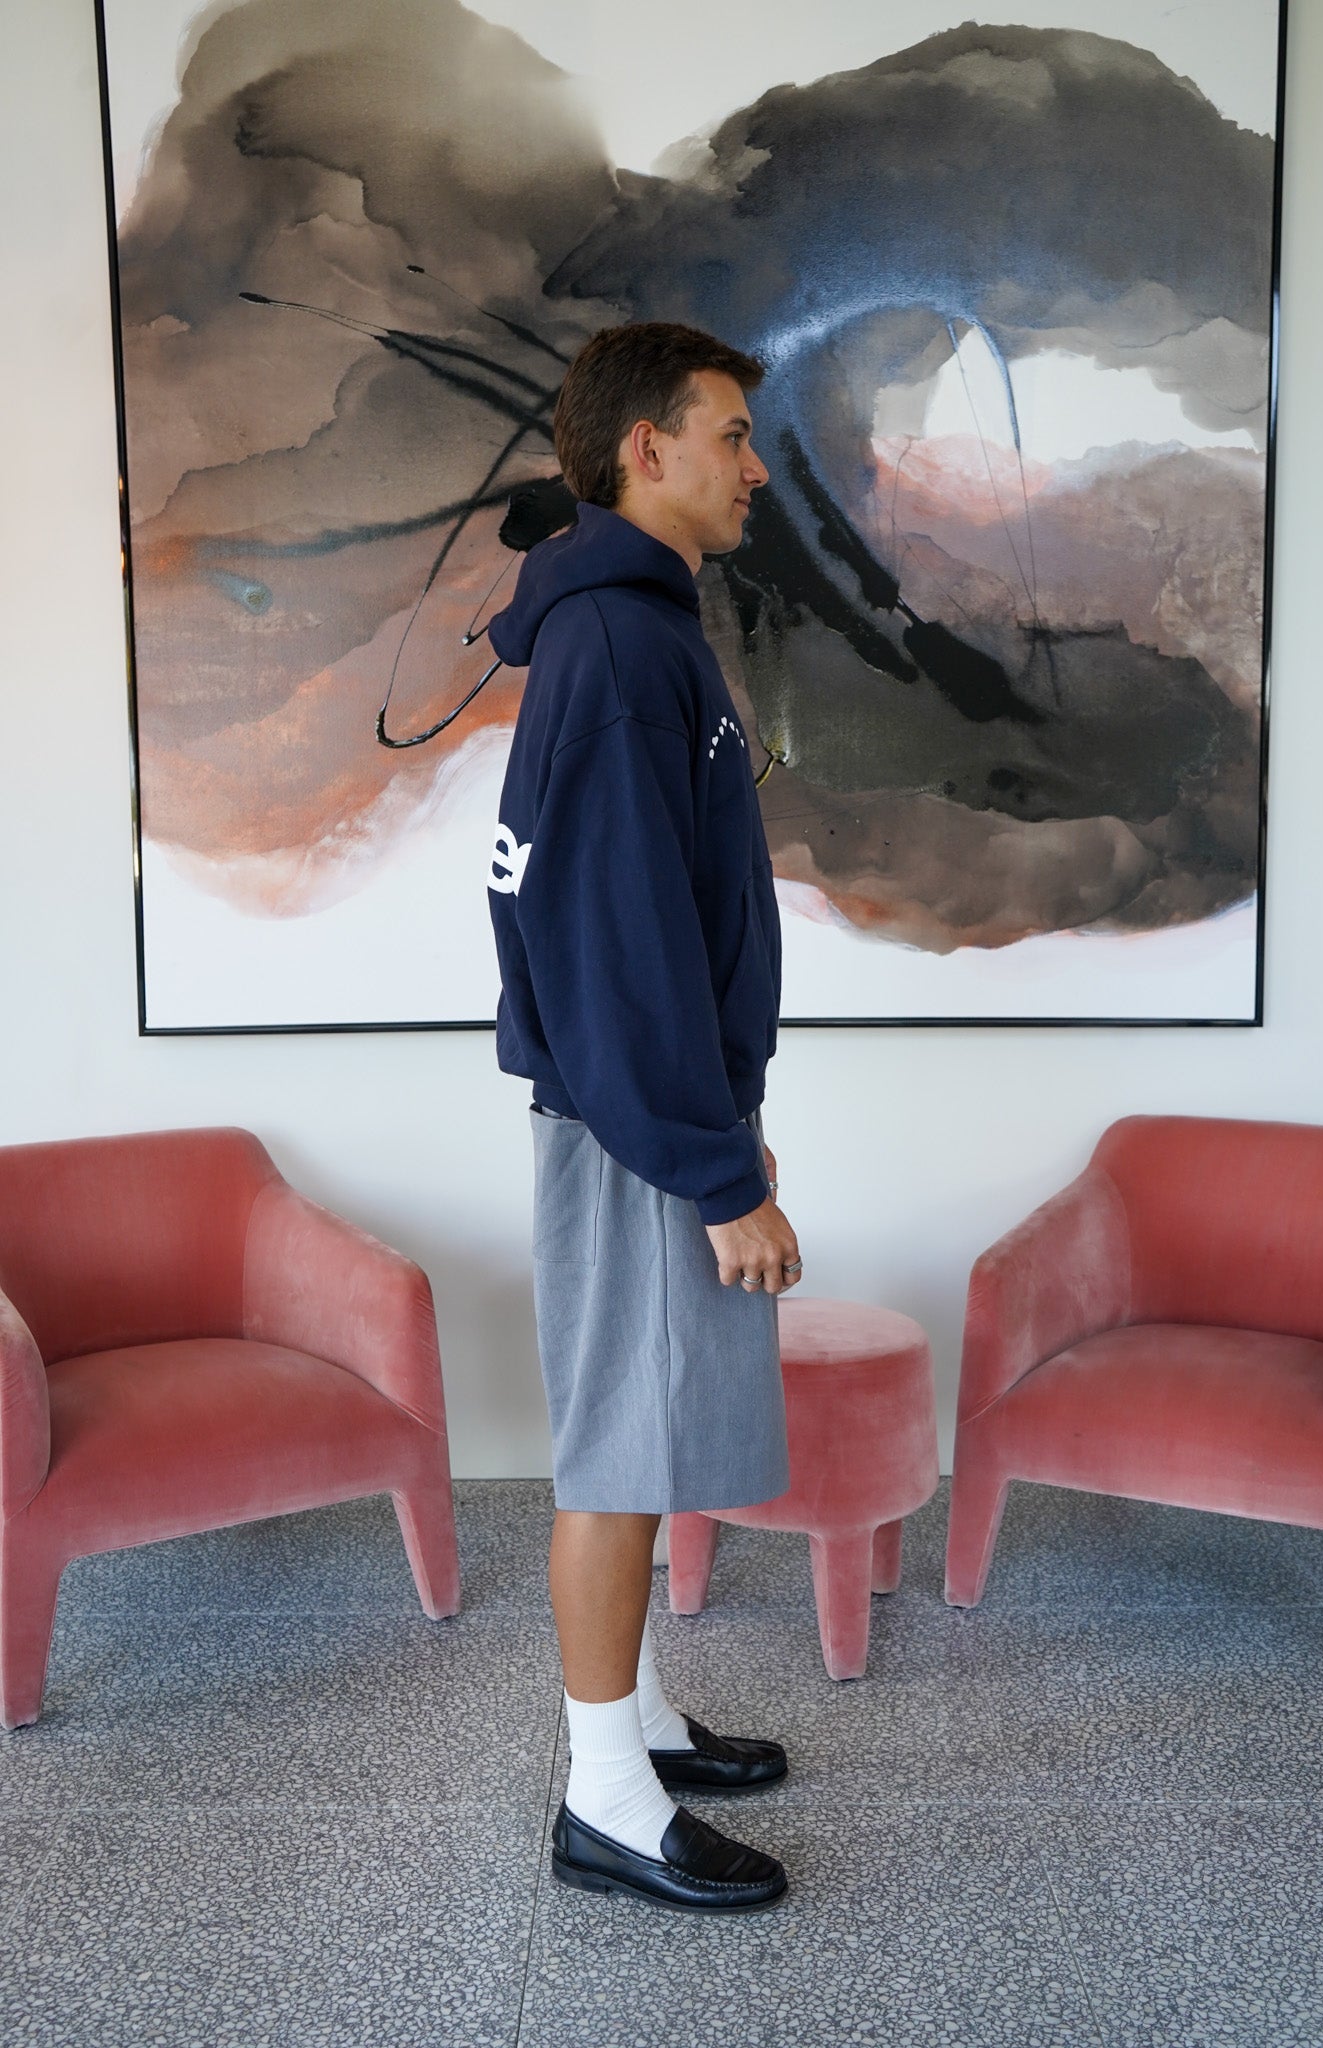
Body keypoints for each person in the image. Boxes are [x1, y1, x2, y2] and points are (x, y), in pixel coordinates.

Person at [486, 322, 802, 1915]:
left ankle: (642, 1725)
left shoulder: (637, 631)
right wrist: (713, 1168)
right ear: (644, 449)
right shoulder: (615, 649)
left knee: (648, 1430)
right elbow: (613, 952)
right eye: (731, 435)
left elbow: (661, 919)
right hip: (632, 1124)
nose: (757, 469)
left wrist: (726, 1125)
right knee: (615, 1457)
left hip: (658, 1111)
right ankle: (604, 1802)